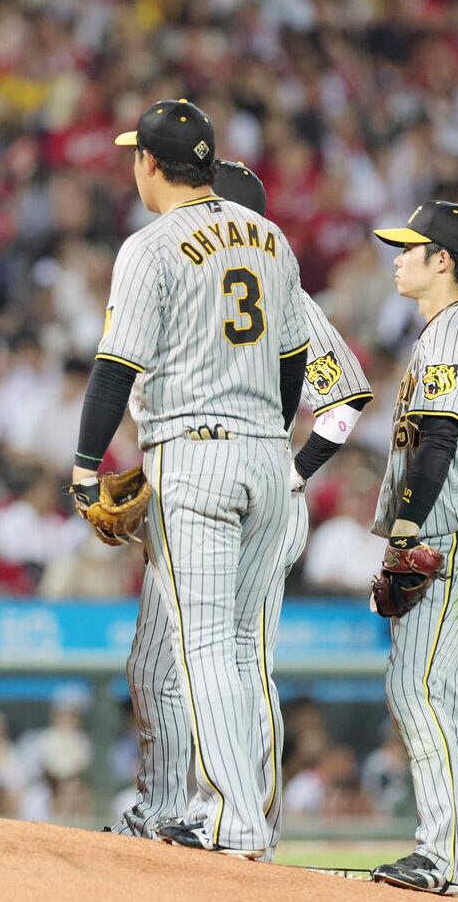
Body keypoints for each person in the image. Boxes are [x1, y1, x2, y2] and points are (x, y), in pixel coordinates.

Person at [113, 160, 373, 857]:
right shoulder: (193, 274)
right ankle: (166, 807)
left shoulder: (276, 285)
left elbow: (345, 399)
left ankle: (249, 822)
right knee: (154, 661)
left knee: (236, 659)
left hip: (254, 495)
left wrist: (295, 466)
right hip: (206, 484)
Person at [71, 101, 309, 858]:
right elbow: (295, 361)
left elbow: (116, 368)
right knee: (243, 651)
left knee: (201, 646)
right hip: (271, 455)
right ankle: (252, 822)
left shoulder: (151, 245)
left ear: (148, 162)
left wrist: (84, 466)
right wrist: (266, 430)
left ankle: (231, 820)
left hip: (195, 451)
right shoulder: (272, 239)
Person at [368, 201, 458, 898]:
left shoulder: (454, 329)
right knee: (437, 695)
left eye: (410, 246)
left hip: (447, 537)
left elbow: (440, 436)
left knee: (418, 689)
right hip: (456, 537)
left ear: (443, 259)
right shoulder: (454, 330)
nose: (397, 255)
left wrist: (406, 529)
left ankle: (443, 857)